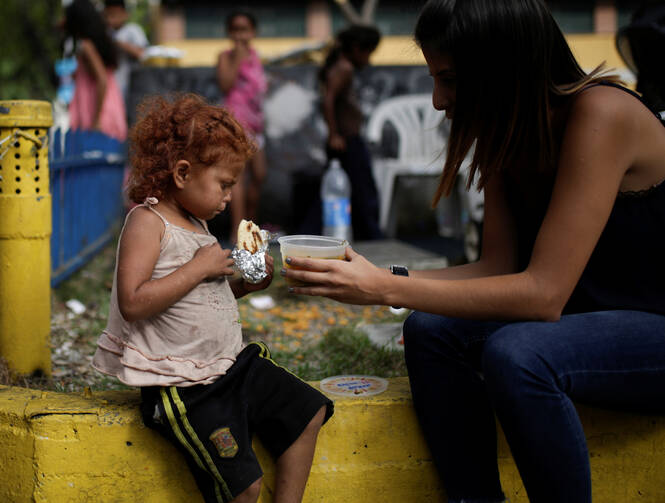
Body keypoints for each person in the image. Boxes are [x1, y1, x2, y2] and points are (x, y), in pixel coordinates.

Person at [282, 1, 665, 502]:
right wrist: (381, 276)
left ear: (506, 69)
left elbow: (543, 295)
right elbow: (496, 269)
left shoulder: (601, 113)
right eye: (435, 79)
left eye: (454, 80)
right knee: (429, 329)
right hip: (590, 322)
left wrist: (387, 289)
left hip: (652, 330)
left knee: (519, 354)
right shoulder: (510, 133)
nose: (439, 100)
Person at [91, 93, 333, 503]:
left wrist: (243, 286)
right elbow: (133, 301)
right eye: (224, 185)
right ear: (183, 173)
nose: (228, 198)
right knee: (244, 486)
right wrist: (198, 268)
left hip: (228, 366)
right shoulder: (146, 222)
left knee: (308, 410)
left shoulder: (197, 221)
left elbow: (196, 299)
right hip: (184, 385)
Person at [319, 24, 383, 241]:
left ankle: (366, 233)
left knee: (358, 190)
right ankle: (371, 235)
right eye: (367, 52)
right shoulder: (343, 68)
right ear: (356, 48)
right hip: (345, 141)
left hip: (348, 139)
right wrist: (334, 134)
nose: (368, 59)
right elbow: (327, 101)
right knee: (362, 192)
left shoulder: (344, 67)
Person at [216, 10, 268, 244]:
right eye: (235, 30)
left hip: (255, 126)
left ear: (253, 32)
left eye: (244, 29)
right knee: (239, 178)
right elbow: (226, 84)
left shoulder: (256, 57)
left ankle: (251, 226)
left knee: (259, 175)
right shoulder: (226, 57)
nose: (240, 35)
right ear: (229, 33)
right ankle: (239, 235)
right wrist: (237, 58)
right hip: (236, 124)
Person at [63, 0, 127, 141]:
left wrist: (96, 120)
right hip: (111, 106)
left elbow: (102, 79)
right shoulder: (102, 41)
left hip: (97, 112)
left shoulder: (87, 46)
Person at [103, 0, 149, 107]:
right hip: (112, 85)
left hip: (131, 83)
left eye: (113, 15)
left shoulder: (133, 30)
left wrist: (119, 44)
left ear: (125, 14)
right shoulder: (106, 32)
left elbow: (143, 54)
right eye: (107, 15)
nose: (110, 19)